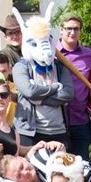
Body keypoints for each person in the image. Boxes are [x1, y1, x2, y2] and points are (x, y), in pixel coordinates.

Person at [12, 9, 74, 149]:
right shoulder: (21, 67)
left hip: (59, 131)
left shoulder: (59, 67)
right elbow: (29, 91)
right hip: (30, 133)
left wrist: (39, 99)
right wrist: (54, 88)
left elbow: (68, 93)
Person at [57, 13, 91, 158]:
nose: (72, 32)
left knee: (81, 165)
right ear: (61, 30)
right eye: (68, 28)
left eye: (76, 29)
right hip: (56, 122)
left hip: (80, 121)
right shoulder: (50, 52)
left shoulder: (90, 56)